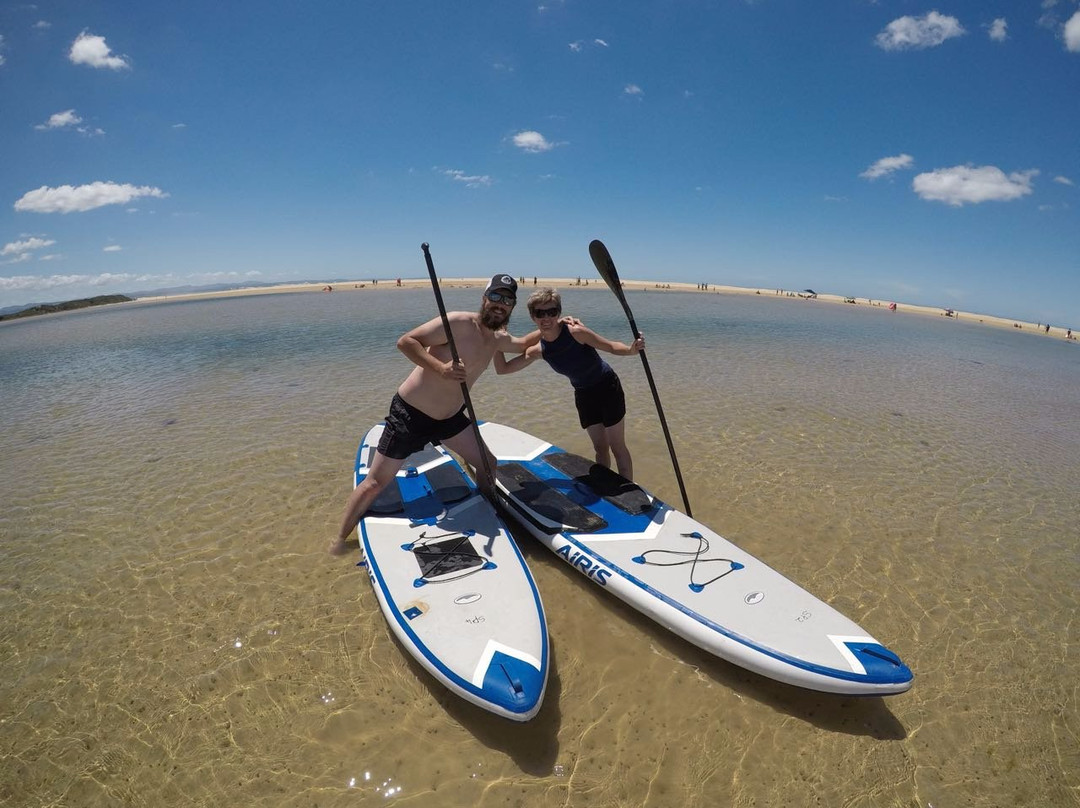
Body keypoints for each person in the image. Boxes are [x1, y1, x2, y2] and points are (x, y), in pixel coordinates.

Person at [331, 274, 530, 555]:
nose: (500, 303)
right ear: (484, 298)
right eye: (495, 296)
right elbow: (406, 341)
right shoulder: (458, 323)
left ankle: (486, 512)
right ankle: (339, 540)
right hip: (410, 415)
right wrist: (441, 369)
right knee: (375, 483)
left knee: (488, 464)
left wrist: (557, 328)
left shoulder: (497, 339)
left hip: (450, 418)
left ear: (512, 307)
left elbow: (522, 345)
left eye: (507, 299)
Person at [494, 287, 644, 480]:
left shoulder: (576, 332)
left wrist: (632, 350)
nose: (546, 318)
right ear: (533, 316)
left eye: (552, 312)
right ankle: (604, 485)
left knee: (617, 447)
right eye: (540, 313)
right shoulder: (538, 350)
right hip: (583, 395)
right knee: (600, 448)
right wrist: (494, 342)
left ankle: (629, 488)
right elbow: (503, 369)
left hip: (607, 387)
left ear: (559, 312)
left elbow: (610, 346)